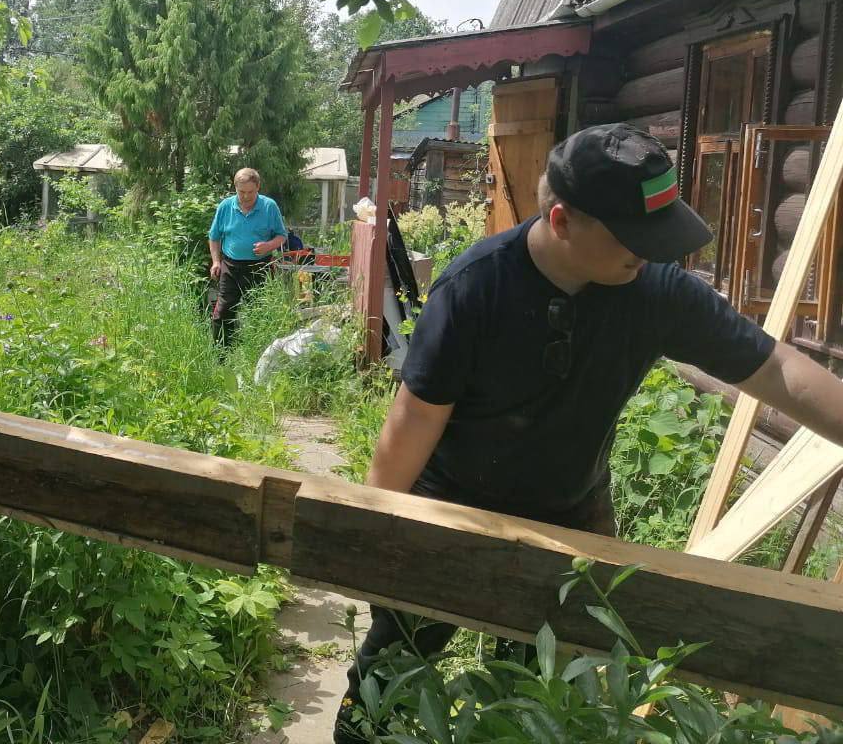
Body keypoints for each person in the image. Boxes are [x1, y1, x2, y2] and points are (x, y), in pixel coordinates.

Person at [335, 123, 843, 743]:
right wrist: (377, 535)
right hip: (451, 508)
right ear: (563, 221)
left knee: (546, 701)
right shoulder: (476, 289)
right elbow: (411, 426)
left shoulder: (655, 291)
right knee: (389, 674)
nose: (652, 253)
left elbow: (774, 368)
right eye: (635, 238)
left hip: (569, 517)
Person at [208, 168, 288, 345]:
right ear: (235, 188)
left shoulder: (269, 206)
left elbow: (282, 236)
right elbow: (214, 237)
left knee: (258, 311)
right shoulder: (225, 206)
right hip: (230, 266)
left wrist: (268, 245)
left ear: (258, 187)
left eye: (250, 192)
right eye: (241, 192)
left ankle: (256, 351)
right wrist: (216, 262)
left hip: (260, 266)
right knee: (223, 311)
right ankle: (221, 353)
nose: (245, 196)